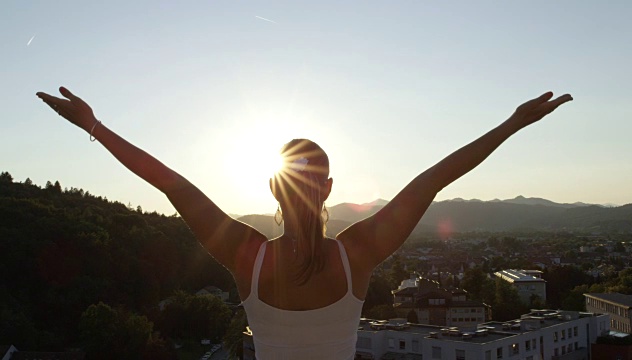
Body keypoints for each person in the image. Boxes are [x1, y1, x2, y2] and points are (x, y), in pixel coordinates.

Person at [36, 87, 572, 359]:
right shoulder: (357, 252)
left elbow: (171, 184)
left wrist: (96, 127)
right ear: (331, 191)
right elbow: (431, 180)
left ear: (271, 187)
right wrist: (512, 124)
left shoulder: (247, 254)